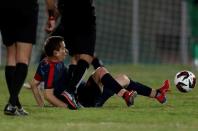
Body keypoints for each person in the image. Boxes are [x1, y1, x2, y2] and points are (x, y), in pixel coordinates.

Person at [30, 36, 170, 109]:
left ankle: (157, 94)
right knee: (100, 71)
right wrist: (67, 106)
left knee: (124, 79)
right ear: (55, 52)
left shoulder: (47, 62)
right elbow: (48, 95)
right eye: (63, 49)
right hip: (83, 98)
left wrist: (41, 106)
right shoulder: (52, 67)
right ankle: (125, 95)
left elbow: (34, 84)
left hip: (86, 94)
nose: (65, 51)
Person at [45, 0, 98, 95]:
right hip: (83, 11)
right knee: (86, 56)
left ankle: (62, 87)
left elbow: (52, 2)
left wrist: (51, 17)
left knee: (76, 55)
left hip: (67, 14)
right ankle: (70, 92)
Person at [0, 0, 39, 116]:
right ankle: (12, 104)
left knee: (11, 56)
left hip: (5, 7)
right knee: (23, 58)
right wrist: (52, 14)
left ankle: (15, 104)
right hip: (26, 7)